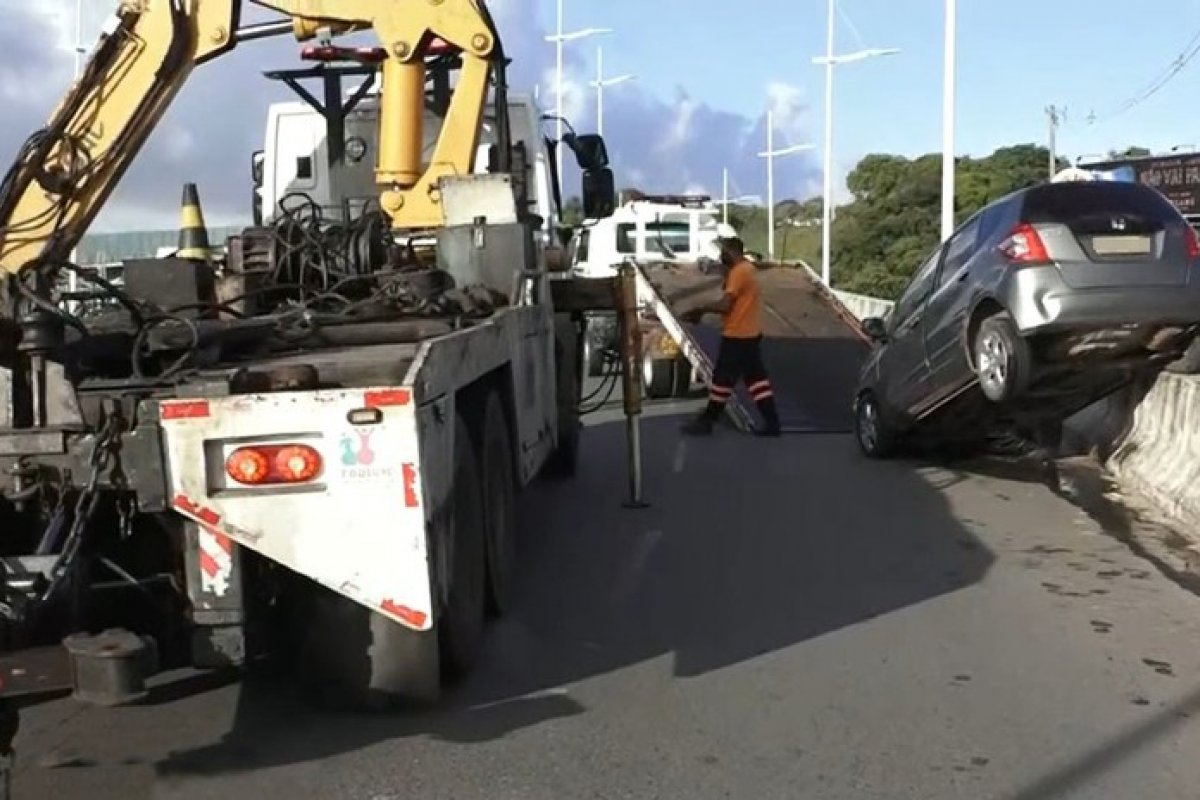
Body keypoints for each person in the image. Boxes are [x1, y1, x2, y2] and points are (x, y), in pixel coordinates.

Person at [679, 236, 781, 437]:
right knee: (756, 380)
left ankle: (707, 421)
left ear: (733, 251)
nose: (721, 255)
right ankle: (772, 423)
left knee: (722, 380)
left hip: (737, 335)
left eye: (724, 251)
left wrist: (700, 309)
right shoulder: (749, 270)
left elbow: (726, 305)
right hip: (751, 334)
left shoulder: (739, 273)